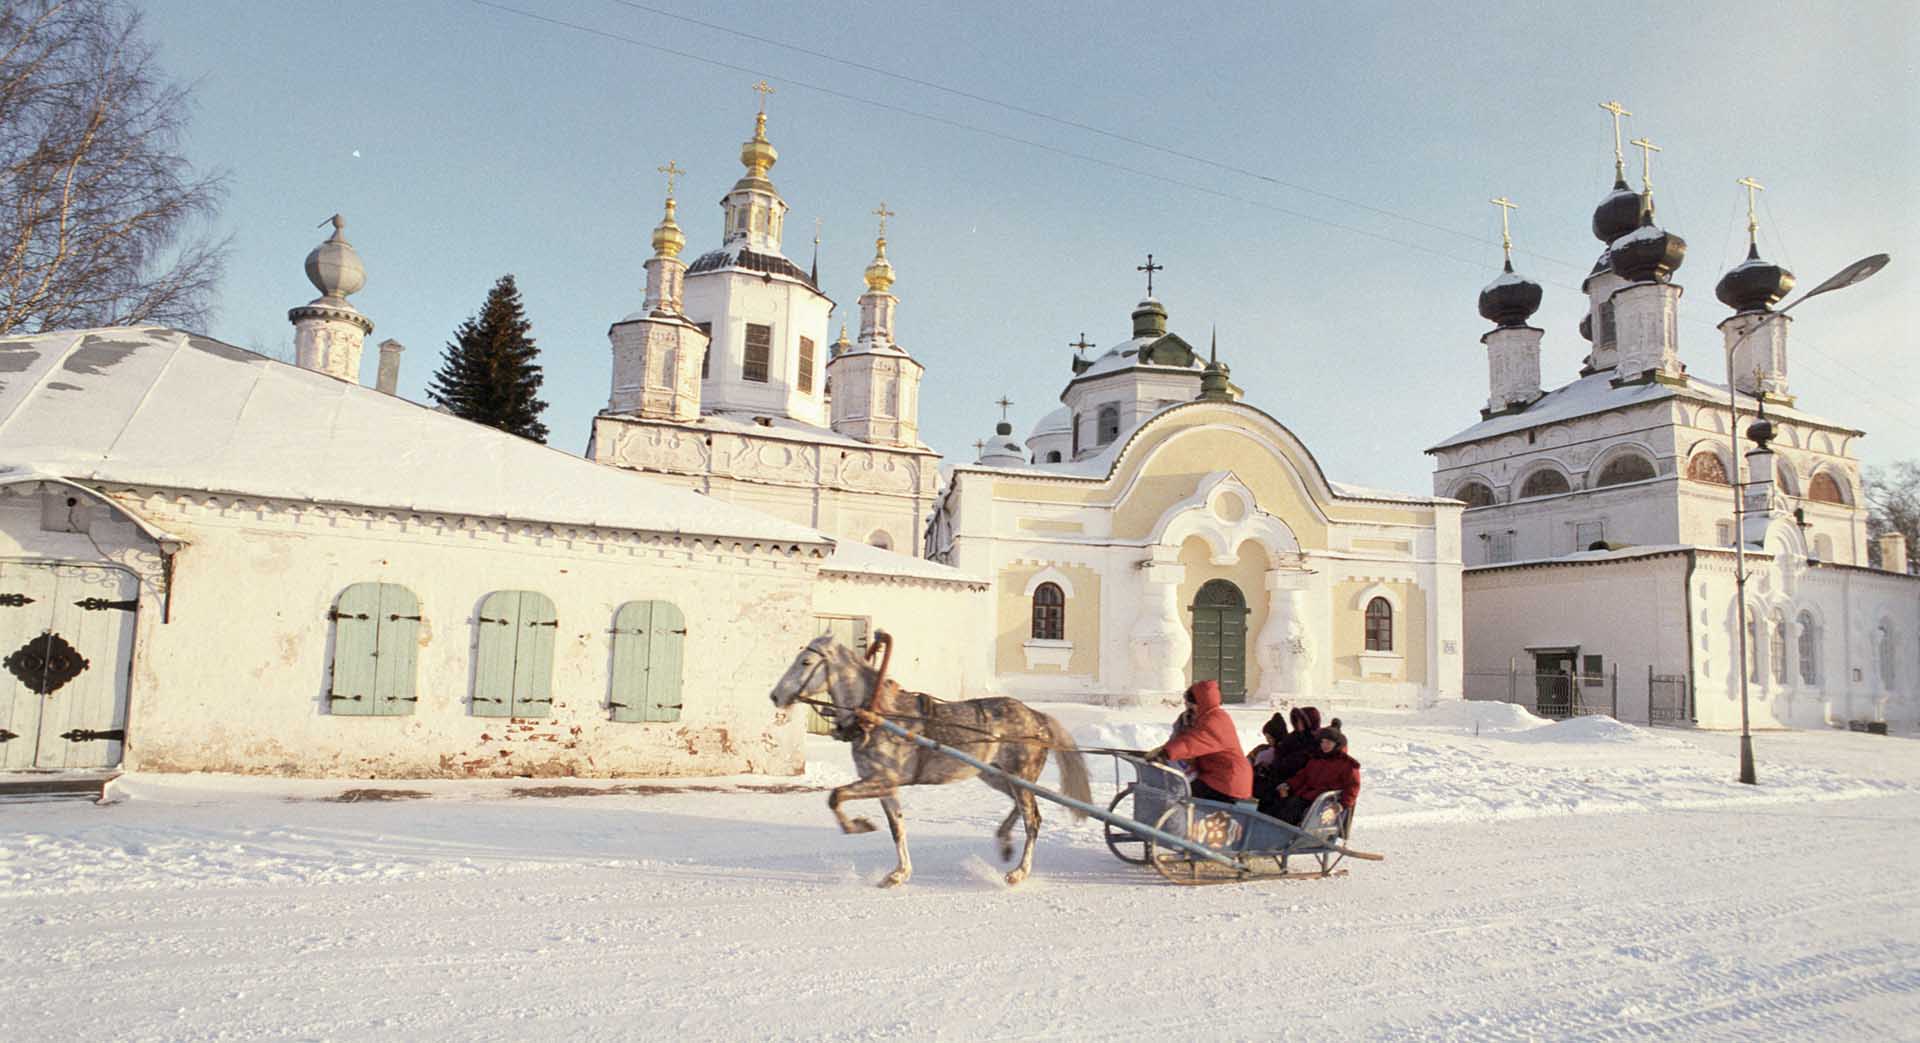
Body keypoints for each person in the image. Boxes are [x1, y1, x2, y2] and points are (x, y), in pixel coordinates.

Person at [1145, 679, 1251, 802]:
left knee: (1184, 796)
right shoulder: (1203, 718)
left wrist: (1165, 752)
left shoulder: (1216, 720)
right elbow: (1182, 739)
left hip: (1228, 781)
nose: (1187, 707)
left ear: (1200, 702)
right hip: (1216, 777)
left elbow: (1192, 743)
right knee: (1183, 792)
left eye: (1190, 704)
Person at [1267, 719, 1360, 827]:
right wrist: (1288, 785)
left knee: (1291, 811)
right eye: (1322, 742)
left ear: (1337, 744)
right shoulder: (1316, 759)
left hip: (1324, 802)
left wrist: (1341, 805)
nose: (1324, 745)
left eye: (1328, 743)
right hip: (1305, 796)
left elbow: (1353, 787)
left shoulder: (1347, 764)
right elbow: (1302, 776)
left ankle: (1284, 835)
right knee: (1276, 804)